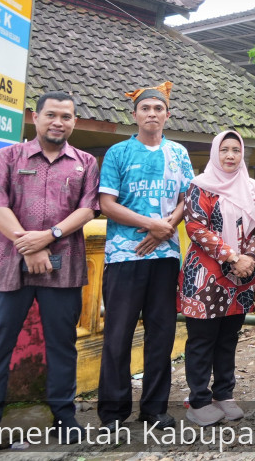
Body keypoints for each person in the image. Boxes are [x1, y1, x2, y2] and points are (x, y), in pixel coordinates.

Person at [0, 92, 100, 461]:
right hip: (9, 267)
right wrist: (32, 246)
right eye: (51, 115)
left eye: (67, 116)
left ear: (73, 122)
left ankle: (64, 416)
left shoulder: (85, 162)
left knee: (62, 346)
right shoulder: (8, 157)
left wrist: (51, 236)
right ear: (35, 118)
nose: (59, 122)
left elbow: (88, 209)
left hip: (64, 268)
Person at [98, 81, 194, 429]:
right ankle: (113, 412)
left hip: (166, 258)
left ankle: (154, 409)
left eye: (158, 109)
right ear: (135, 114)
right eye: (145, 109)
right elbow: (106, 203)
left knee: (162, 334)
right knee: (118, 335)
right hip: (124, 258)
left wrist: (168, 226)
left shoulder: (179, 153)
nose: (152, 114)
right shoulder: (118, 153)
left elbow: (188, 198)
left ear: (167, 114)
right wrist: (151, 225)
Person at [179, 130, 255, 426]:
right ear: (216, 153)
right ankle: (198, 399)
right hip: (206, 274)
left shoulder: (252, 189)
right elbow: (196, 229)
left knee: (228, 338)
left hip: (241, 276)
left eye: (236, 150)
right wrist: (233, 257)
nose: (230, 156)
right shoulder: (199, 187)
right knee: (202, 339)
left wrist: (250, 258)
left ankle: (224, 394)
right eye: (225, 150)